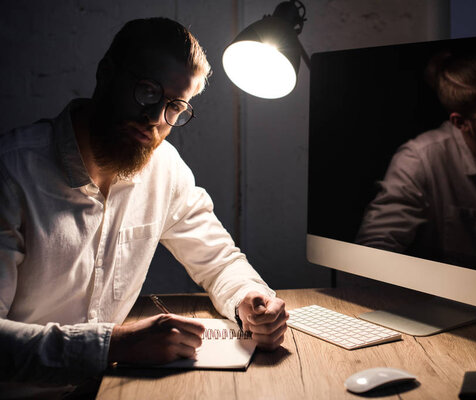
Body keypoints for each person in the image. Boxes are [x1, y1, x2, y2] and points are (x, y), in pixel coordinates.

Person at [0, 17, 287, 397]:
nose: (154, 119)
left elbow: (219, 261)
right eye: (148, 91)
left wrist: (249, 300)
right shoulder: (12, 172)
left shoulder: (163, 167)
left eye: (175, 106)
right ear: (106, 74)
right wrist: (114, 345)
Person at [356, 49, 476, 277]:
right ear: (460, 122)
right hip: (446, 304)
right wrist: (473, 283)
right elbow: (373, 251)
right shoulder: (421, 159)